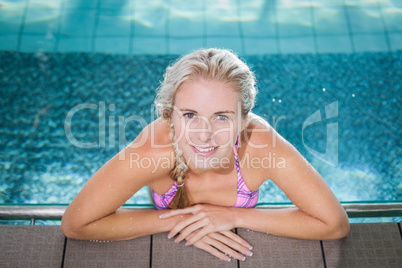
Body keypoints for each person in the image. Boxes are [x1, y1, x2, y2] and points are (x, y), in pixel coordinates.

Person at [61, 48, 349, 262]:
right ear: (169, 115)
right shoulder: (152, 152)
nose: (204, 134)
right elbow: (77, 224)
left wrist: (231, 216)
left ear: (244, 119)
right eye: (189, 115)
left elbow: (334, 224)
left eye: (222, 117)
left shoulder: (260, 146)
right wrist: (184, 221)